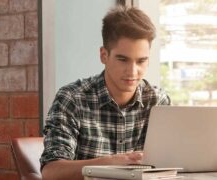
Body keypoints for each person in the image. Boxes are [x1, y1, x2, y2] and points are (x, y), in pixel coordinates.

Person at [40, 6, 170, 180]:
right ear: (104, 55)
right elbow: (51, 172)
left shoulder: (157, 101)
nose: (133, 71)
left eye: (141, 61)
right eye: (123, 59)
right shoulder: (72, 99)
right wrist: (110, 163)